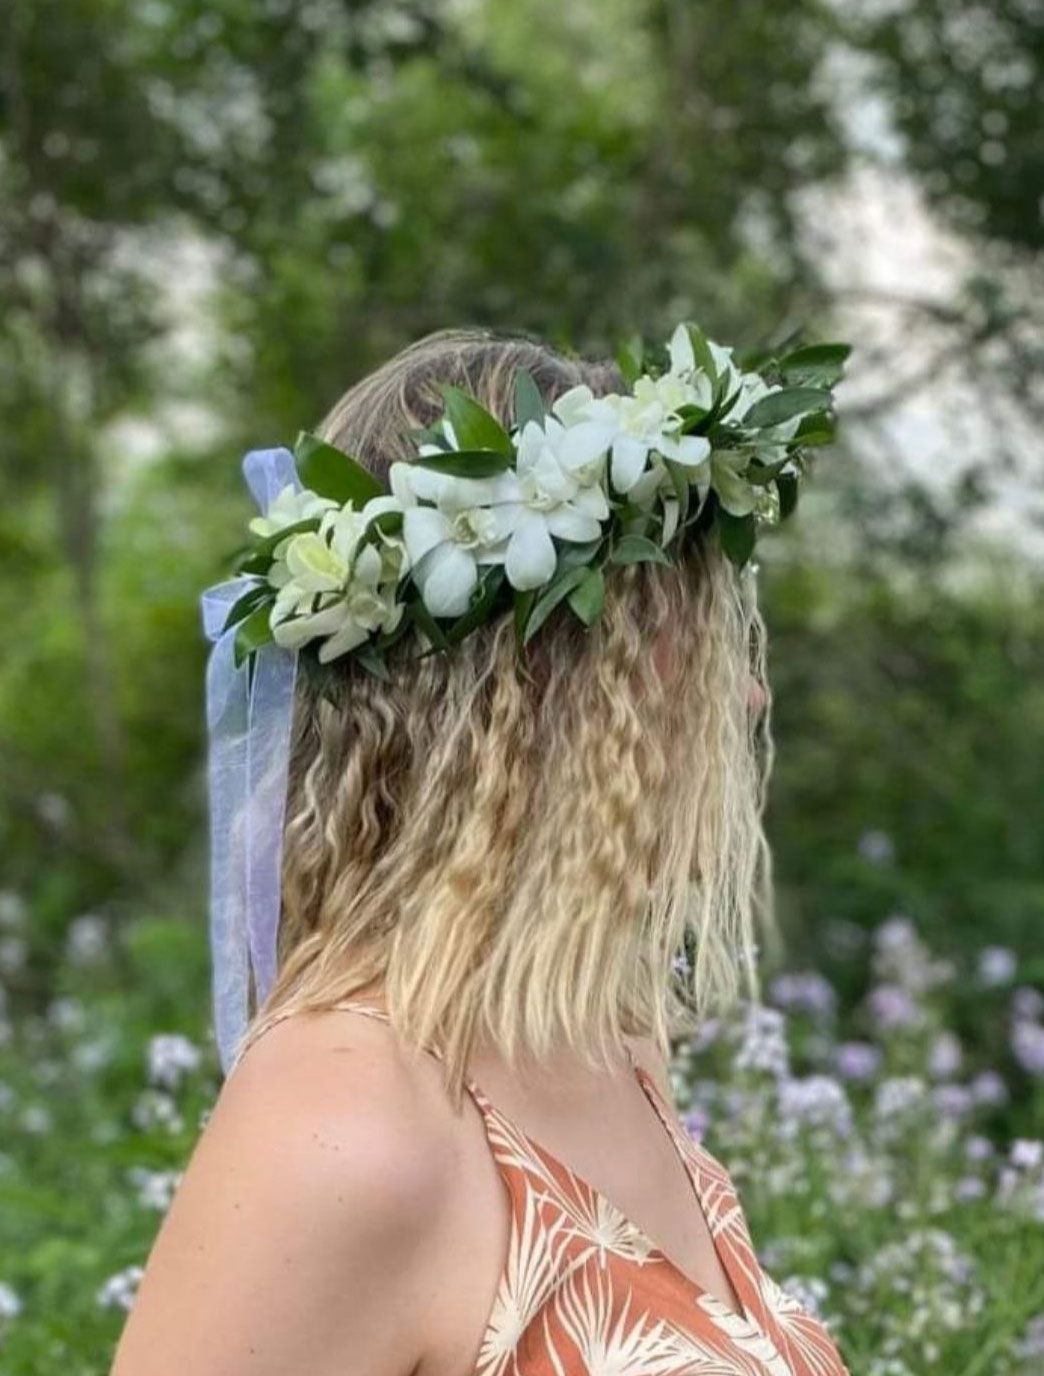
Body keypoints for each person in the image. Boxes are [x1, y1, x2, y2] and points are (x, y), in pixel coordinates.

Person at [110, 326, 851, 1375]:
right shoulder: (343, 1124)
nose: (749, 695)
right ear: (541, 687)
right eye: (684, 645)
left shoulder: (613, 1048)